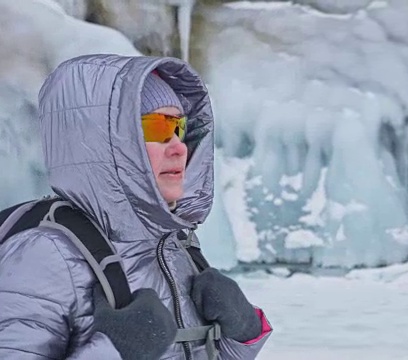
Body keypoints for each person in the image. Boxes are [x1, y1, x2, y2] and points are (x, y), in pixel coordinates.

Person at [0, 54, 271, 359]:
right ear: (103, 141)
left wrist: (243, 337)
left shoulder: (176, 247)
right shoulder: (44, 255)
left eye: (179, 128)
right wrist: (115, 352)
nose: (179, 147)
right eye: (157, 128)